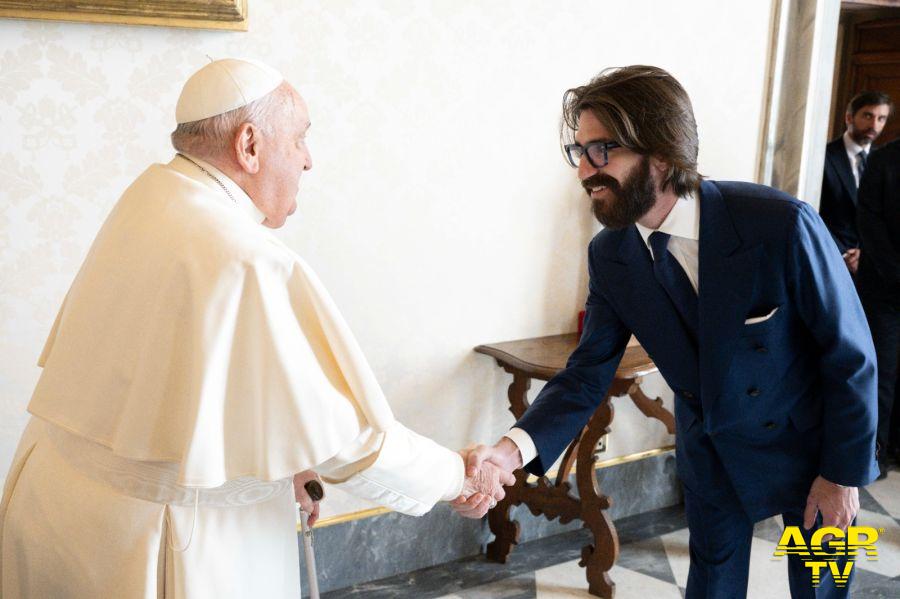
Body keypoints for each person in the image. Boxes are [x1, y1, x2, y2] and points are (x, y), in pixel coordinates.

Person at [0, 58, 510, 599]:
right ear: (249, 146)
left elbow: (186, 383)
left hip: (56, 509)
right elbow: (349, 441)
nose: (308, 161)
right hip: (163, 539)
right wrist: (457, 473)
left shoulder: (154, 196)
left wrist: (278, 453)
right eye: (299, 140)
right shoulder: (245, 258)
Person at [453, 66, 879, 598]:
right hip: (712, 452)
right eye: (578, 152)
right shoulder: (610, 255)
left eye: (601, 151)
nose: (584, 171)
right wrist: (509, 452)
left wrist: (842, 474)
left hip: (812, 447)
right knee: (711, 587)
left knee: (822, 586)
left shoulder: (780, 222)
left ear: (662, 153)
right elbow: (586, 374)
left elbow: (850, 356)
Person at [857, 136, 900, 479]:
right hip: (885, 288)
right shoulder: (883, 160)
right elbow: (870, 225)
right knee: (882, 373)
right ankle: (877, 452)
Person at [819, 92, 893, 275]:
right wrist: (843, 253)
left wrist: (867, 254)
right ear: (849, 117)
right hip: (829, 260)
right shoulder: (822, 156)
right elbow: (813, 210)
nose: (874, 125)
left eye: (881, 118)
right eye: (868, 116)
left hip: (874, 269)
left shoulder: (885, 163)